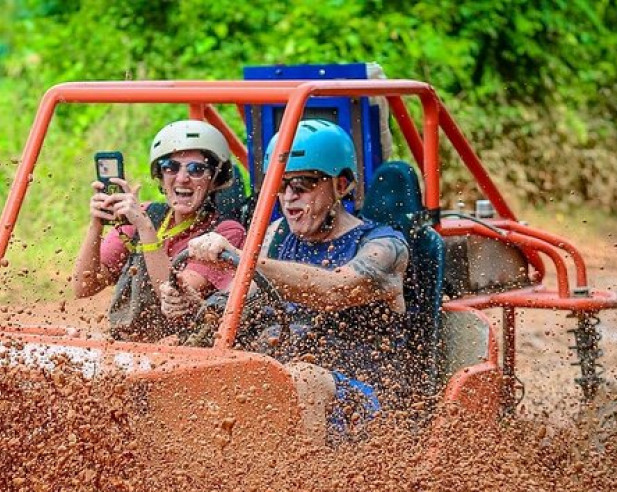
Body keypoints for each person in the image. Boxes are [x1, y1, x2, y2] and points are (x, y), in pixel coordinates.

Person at [171, 119, 410, 442]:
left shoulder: (384, 246)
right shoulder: (278, 234)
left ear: (341, 185)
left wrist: (247, 261)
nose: (289, 198)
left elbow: (335, 290)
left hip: (365, 396)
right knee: (176, 357)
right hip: (279, 378)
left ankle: (303, 487)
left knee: (303, 377)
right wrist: (197, 304)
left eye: (303, 184)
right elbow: (241, 299)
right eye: (281, 186)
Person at [72, 120, 246, 341]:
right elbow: (84, 287)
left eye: (196, 169)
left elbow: (176, 296)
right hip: (127, 349)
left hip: (186, 354)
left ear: (214, 179)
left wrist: (145, 229)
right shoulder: (144, 215)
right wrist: (97, 223)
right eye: (170, 167)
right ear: (161, 177)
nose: (182, 178)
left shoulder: (226, 233)